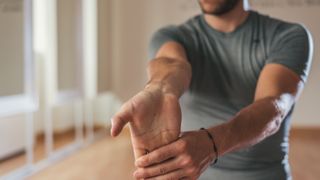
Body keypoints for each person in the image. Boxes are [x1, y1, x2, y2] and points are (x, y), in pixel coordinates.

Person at [110, 0, 313, 179]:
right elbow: (172, 64)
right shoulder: (171, 36)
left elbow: (273, 105)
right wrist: (159, 89)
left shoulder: (289, 35)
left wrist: (213, 144)